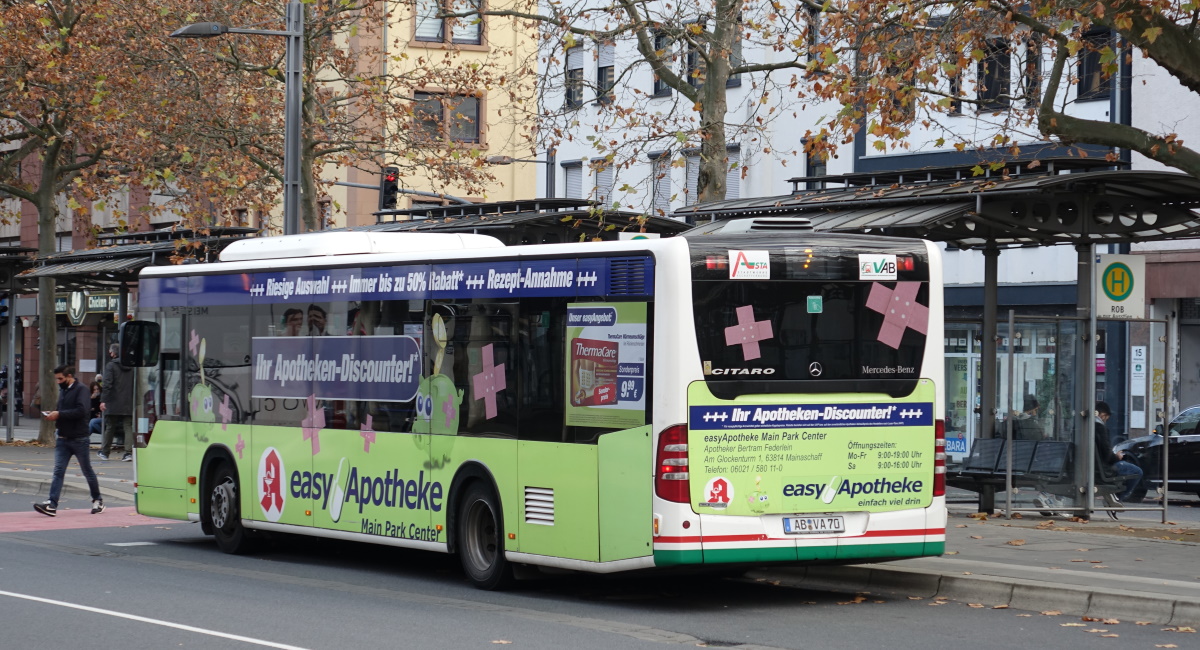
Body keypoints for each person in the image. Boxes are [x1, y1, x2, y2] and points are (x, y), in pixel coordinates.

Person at [34, 365, 105, 516]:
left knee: (87, 470)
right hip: (63, 437)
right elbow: (64, 410)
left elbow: (82, 411)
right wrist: (54, 415)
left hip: (79, 438)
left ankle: (97, 499)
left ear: (70, 376)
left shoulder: (82, 389)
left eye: (61, 378)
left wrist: (59, 414)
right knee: (58, 471)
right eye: (57, 379)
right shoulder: (64, 390)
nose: (58, 381)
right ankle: (52, 504)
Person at [1094, 400, 1143, 517]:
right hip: (1103, 468)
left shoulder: (1084, 426)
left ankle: (1113, 498)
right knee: (1137, 471)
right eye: (1106, 418)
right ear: (1102, 415)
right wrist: (1117, 457)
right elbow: (1106, 454)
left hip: (1093, 466)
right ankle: (1116, 498)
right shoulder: (1100, 427)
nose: (1105, 421)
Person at [100, 343, 135, 461]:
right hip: (129, 401)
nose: (110, 354)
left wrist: (103, 400)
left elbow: (107, 384)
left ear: (114, 353)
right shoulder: (133, 366)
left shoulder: (111, 366)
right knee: (128, 426)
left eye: (111, 352)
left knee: (110, 426)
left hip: (113, 401)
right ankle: (128, 453)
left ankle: (105, 452)